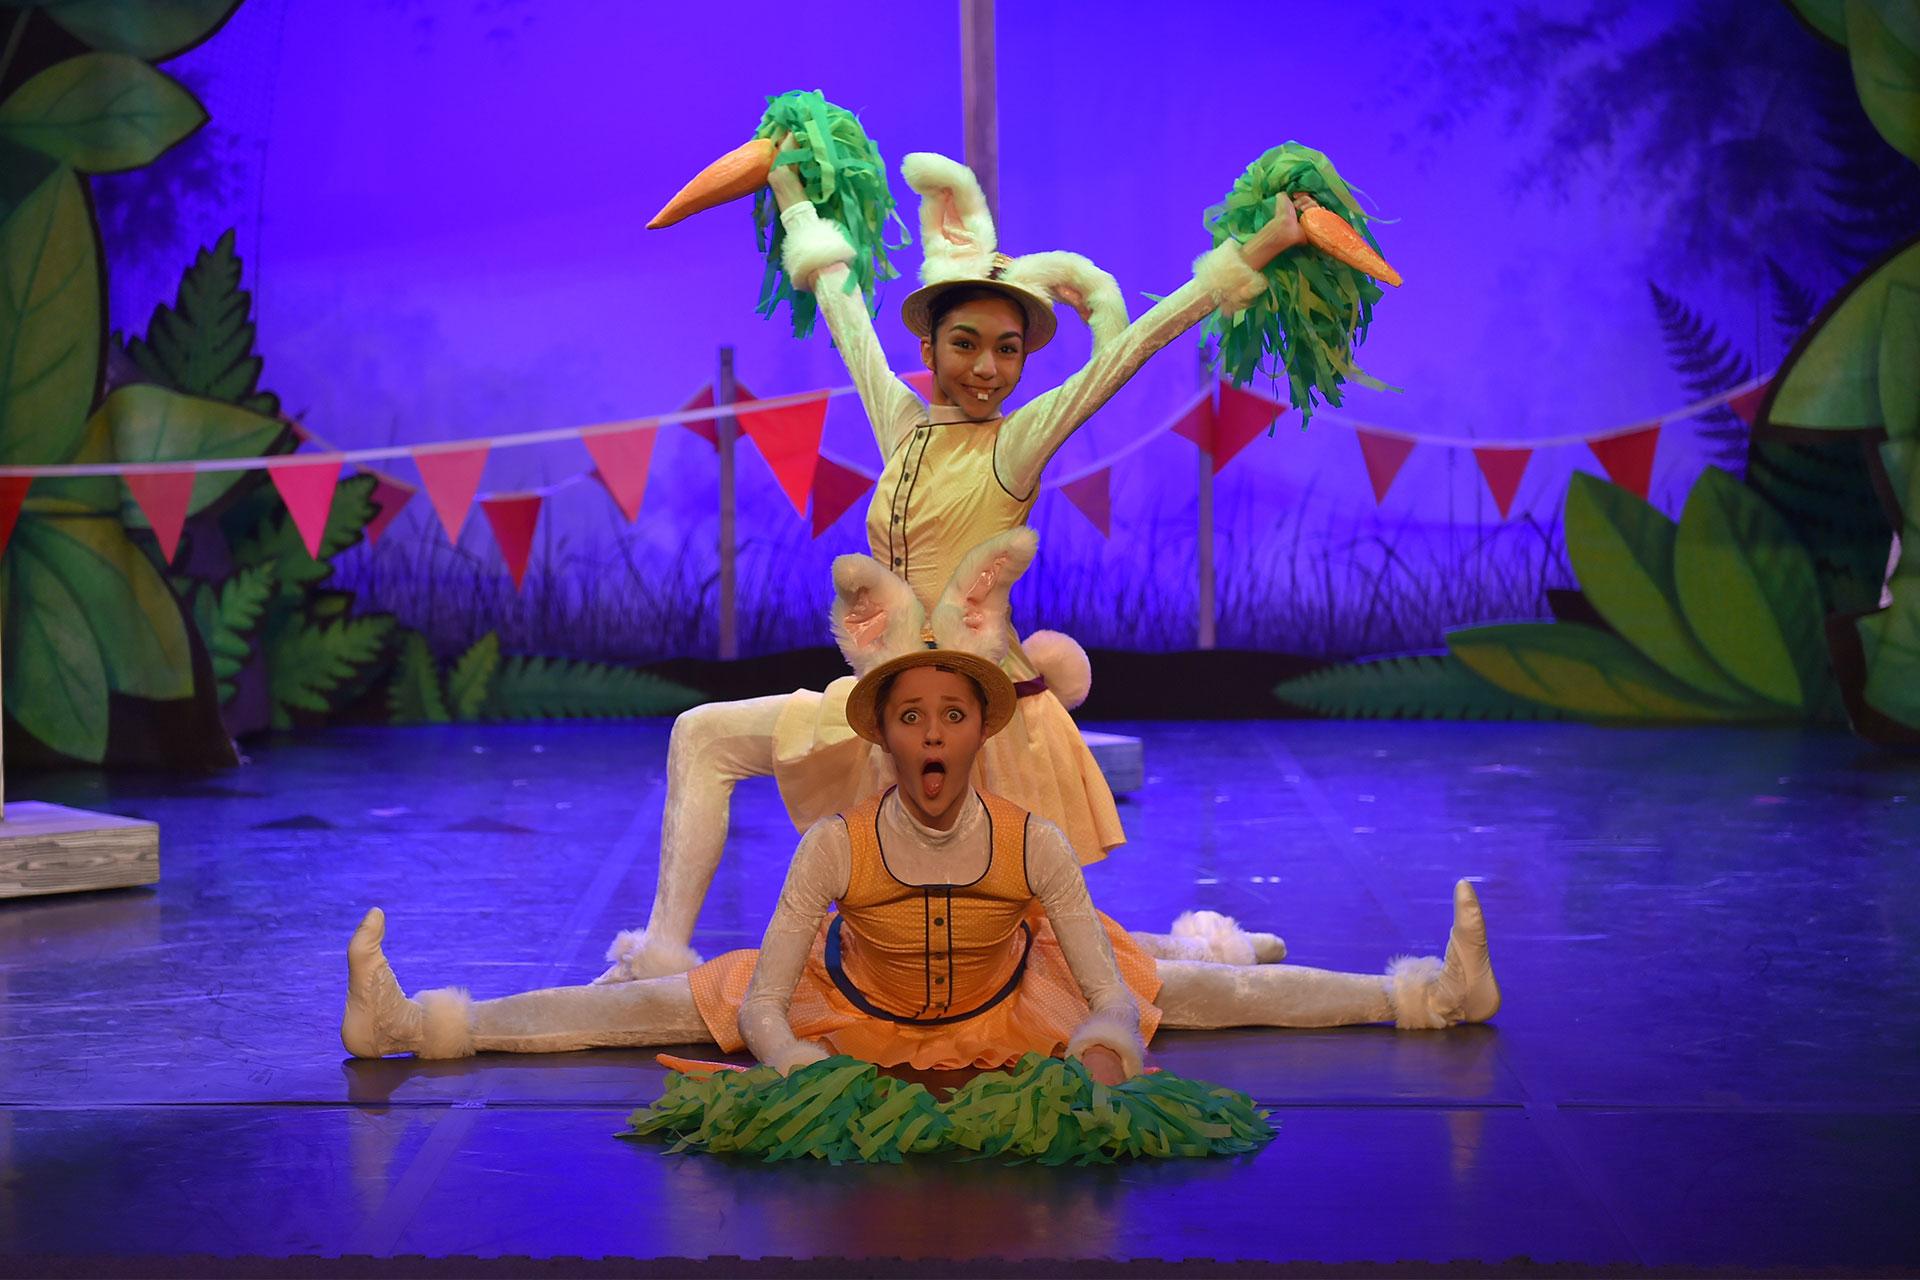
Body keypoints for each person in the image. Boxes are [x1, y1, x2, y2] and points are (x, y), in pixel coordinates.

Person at [343, 533, 1500, 1077]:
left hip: (1007, 1007)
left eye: (957, 715)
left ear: (981, 730)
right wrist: (787, 1048)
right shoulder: (838, 846)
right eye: (914, 716)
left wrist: (1103, 1022)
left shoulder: (1029, 838)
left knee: (1205, 990)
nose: (936, 733)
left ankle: (1426, 993)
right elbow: (779, 983)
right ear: (884, 734)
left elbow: (1101, 977)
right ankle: (423, 1023)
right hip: (859, 1014)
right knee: (636, 1010)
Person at [600, 146, 1317, 983]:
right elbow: (842, 309)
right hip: (891, 702)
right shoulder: (901, 426)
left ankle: (1212, 958)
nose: (986, 368)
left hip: (986, 723)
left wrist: (1257, 251)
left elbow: (1129, 354)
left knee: (1048, 957)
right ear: (932, 345)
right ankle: (661, 953)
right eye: (967, 344)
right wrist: (790, 193)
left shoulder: (1015, 444)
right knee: (702, 736)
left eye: (1007, 350)